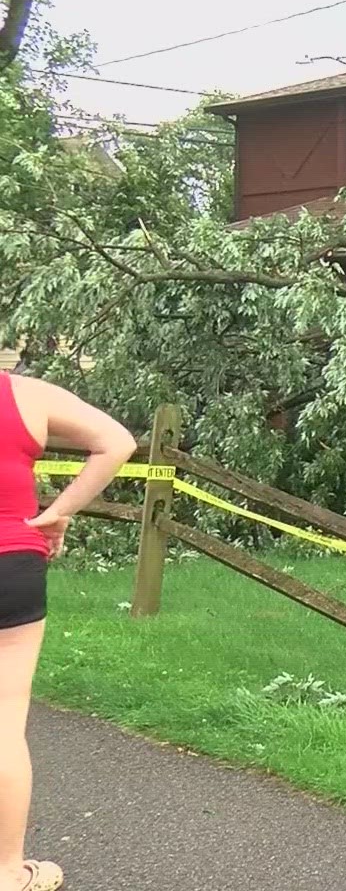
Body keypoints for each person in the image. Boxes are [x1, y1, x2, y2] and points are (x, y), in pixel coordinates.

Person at [0, 372, 136, 891]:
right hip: (11, 564)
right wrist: (58, 512)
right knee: (5, 727)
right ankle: (10, 874)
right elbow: (117, 441)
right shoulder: (25, 394)